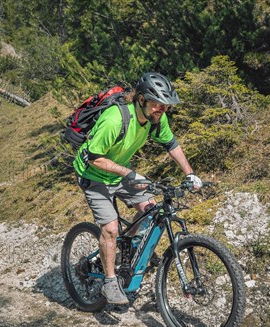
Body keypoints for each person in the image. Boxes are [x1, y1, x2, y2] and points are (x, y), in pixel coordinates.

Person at [73, 72, 202, 305]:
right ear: (141, 99)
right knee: (110, 229)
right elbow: (94, 158)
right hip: (93, 173)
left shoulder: (156, 118)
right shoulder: (115, 119)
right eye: (157, 105)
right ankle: (110, 281)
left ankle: (127, 246)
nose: (161, 110)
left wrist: (190, 174)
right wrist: (129, 174)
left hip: (119, 170)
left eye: (165, 107)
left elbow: (171, 144)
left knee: (150, 209)